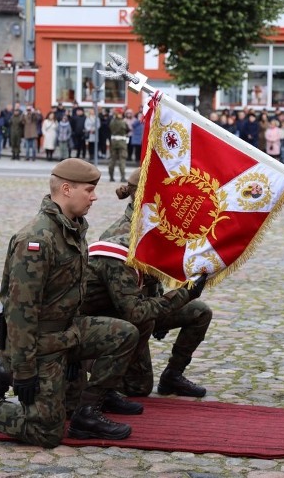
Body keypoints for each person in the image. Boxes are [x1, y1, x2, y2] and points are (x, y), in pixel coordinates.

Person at [0, 159, 140, 446]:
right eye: (89, 190)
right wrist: (23, 371)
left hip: (65, 335)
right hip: (38, 345)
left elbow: (74, 296)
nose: (95, 197)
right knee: (46, 432)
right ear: (67, 189)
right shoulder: (36, 239)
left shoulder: (73, 228)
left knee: (124, 334)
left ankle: (86, 413)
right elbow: (20, 314)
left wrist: (75, 351)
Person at [81, 170, 212, 399]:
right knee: (138, 388)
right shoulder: (122, 239)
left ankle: (172, 376)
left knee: (200, 312)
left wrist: (163, 300)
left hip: (141, 310)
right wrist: (182, 295)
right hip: (119, 318)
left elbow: (149, 277)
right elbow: (133, 312)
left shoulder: (152, 227)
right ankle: (94, 361)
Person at [108, 107, 129, 182]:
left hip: (113, 142)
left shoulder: (112, 121)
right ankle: (122, 177)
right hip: (122, 142)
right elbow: (126, 129)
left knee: (112, 160)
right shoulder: (122, 122)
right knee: (122, 160)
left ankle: (111, 177)